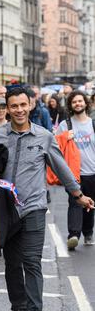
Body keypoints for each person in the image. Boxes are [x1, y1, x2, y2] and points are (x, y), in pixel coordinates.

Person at [0, 87, 94, 311]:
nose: (19, 110)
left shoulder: (44, 136)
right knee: (12, 264)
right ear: (7, 109)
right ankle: (17, 308)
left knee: (32, 261)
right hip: (4, 209)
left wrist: (78, 195)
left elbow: (61, 167)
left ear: (30, 106)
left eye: (23, 105)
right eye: (13, 106)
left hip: (33, 207)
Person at [56, 90, 95, 250]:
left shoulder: (93, 123)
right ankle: (73, 235)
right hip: (72, 173)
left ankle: (87, 232)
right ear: (71, 105)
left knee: (89, 204)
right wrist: (65, 137)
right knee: (74, 202)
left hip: (92, 172)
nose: (78, 104)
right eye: (74, 102)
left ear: (85, 103)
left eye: (80, 101)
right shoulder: (66, 125)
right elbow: (55, 146)